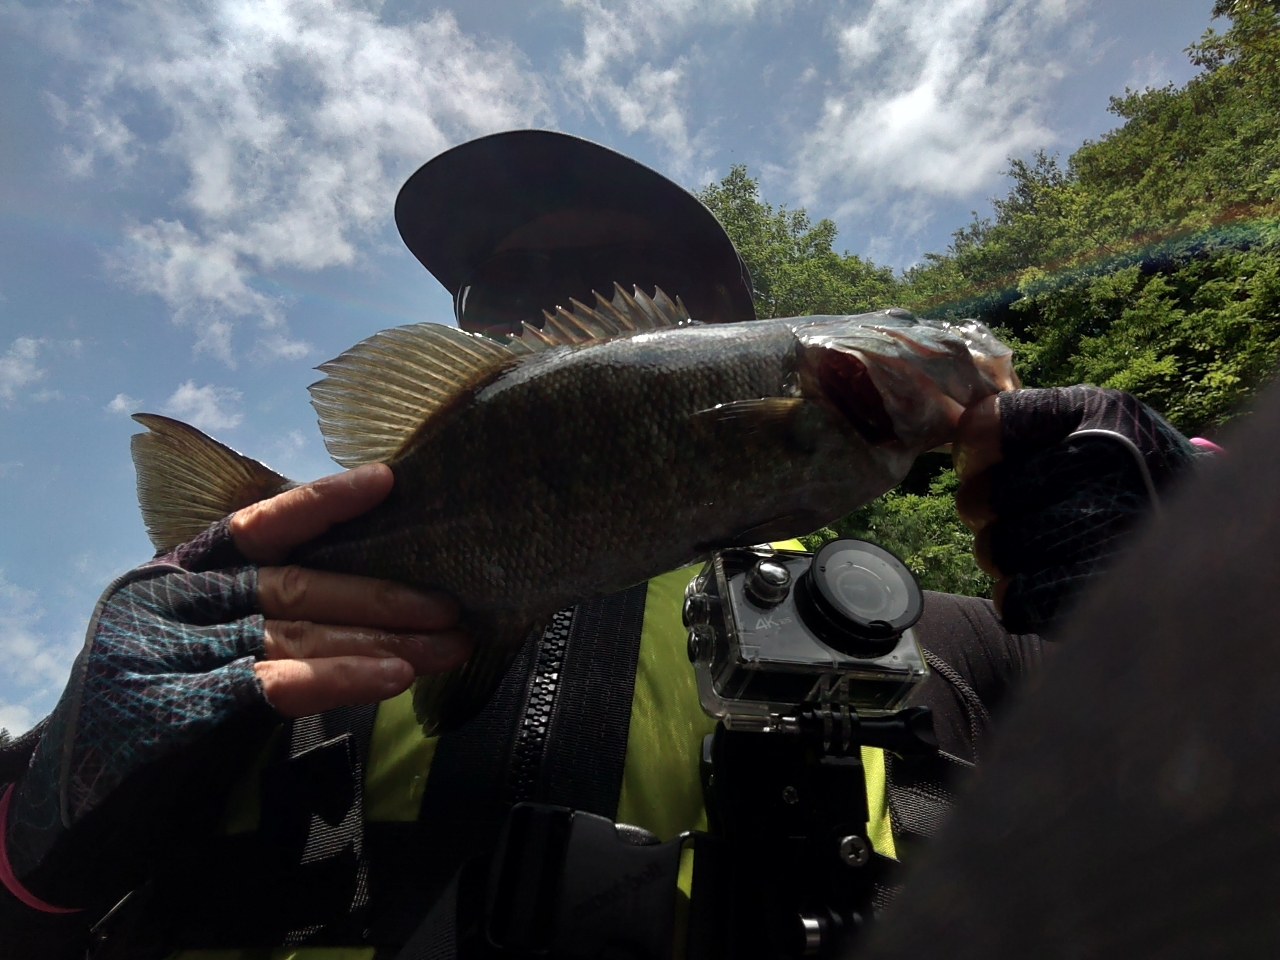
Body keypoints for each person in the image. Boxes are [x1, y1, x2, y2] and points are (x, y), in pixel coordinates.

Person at [0, 133, 1208, 960]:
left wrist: (1196, 587)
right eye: (507, 282)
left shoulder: (955, 642)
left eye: (624, 275)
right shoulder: (262, 667)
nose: (552, 297)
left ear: (729, 328)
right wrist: (36, 829)